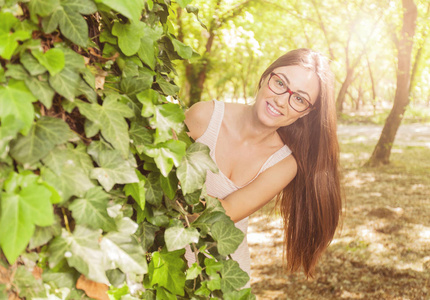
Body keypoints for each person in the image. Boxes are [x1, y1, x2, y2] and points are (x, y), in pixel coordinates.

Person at [184, 48, 342, 283]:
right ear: (265, 77)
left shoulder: (285, 164)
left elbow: (223, 214)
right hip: (163, 264)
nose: (281, 100)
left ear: (307, 113)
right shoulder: (204, 117)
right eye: (280, 83)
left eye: (299, 98)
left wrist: (172, 185)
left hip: (224, 281)